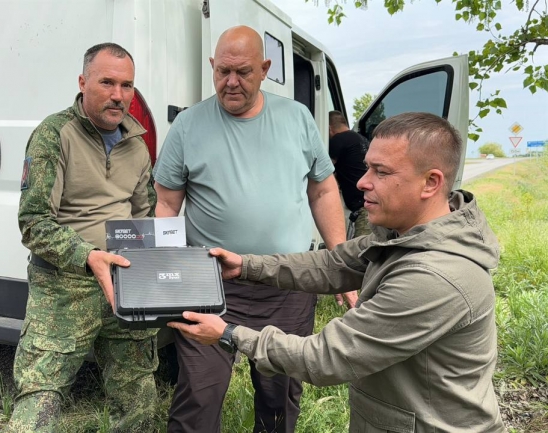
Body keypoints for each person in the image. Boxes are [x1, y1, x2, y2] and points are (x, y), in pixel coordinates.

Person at [170, 112, 506, 432]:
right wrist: (246, 266)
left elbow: (327, 358)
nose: (362, 182)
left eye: (381, 172)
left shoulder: (432, 277)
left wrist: (229, 334)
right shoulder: (403, 236)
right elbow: (333, 264)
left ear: (430, 183)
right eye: (367, 168)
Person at [153, 25, 351, 433]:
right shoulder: (187, 125)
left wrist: (341, 264)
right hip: (210, 284)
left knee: (279, 395)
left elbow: (323, 190)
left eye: (243, 72)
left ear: (265, 69)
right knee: (199, 393)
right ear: (212, 66)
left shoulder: (296, 118)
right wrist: (165, 272)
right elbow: (167, 204)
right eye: (222, 71)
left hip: (287, 282)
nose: (231, 82)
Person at [8, 43, 158, 432]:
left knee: (139, 400)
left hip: (124, 279)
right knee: (38, 403)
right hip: (65, 283)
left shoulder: (137, 145)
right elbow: (33, 222)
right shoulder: (54, 134)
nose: (118, 95)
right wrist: (88, 255)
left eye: (127, 85)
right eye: (107, 82)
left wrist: (160, 276)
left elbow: (145, 217)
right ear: (82, 82)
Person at [328, 110, 371, 238]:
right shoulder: (362, 139)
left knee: (361, 247)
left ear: (329, 129)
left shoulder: (338, 140)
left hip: (362, 207)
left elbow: (324, 170)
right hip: (370, 202)